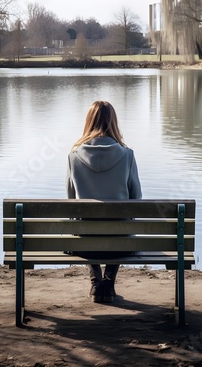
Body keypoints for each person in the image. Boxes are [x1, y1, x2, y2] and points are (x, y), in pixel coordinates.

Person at [66, 100, 142, 303]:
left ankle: (95, 282)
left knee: (81, 224)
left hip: (85, 244)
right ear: (113, 123)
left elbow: (70, 202)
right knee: (122, 224)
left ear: (88, 122)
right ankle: (108, 283)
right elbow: (137, 199)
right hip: (120, 244)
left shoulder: (73, 156)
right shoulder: (127, 155)